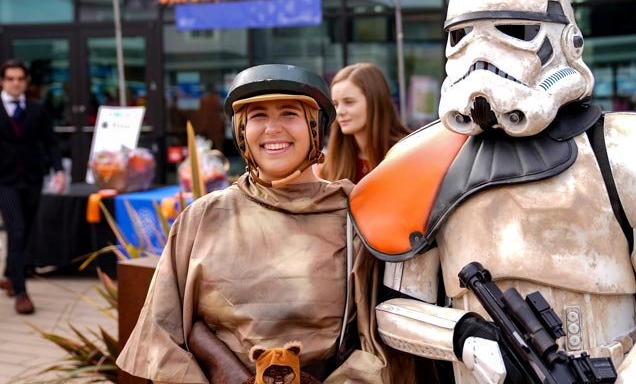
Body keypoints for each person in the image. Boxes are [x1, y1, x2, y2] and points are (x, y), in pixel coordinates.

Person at [349, 0, 636, 383]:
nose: (481, 54)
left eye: (512, 30)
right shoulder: (422, 161)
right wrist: (465, 339)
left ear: (568, 41)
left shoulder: (634, 149)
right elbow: (396, 308)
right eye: (462, 36)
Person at [116, 64, 413, 384]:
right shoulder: (203, 218)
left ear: (317, 127)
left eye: (289, 113)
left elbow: (382, 348)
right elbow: (160, 336)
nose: (273, 128)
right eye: (257, 116)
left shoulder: (358, 218)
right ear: (241, 130)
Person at [0, 59, 66, 314]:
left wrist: (58, 170)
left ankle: (8, 274)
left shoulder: (37, 109)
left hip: (32, 179)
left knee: (25, 232)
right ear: (3, 81)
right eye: (10, 79)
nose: (16, 83)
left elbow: (50, 142)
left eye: (20, 79)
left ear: (26, 82)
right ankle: (21, 291)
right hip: (4, 182)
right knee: (16, 231)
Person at [317, 63, 410, 184]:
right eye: (335, 104)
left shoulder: (406, 153)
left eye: (349, 102)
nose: (339, 111)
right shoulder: (332, 160)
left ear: (375, 102)